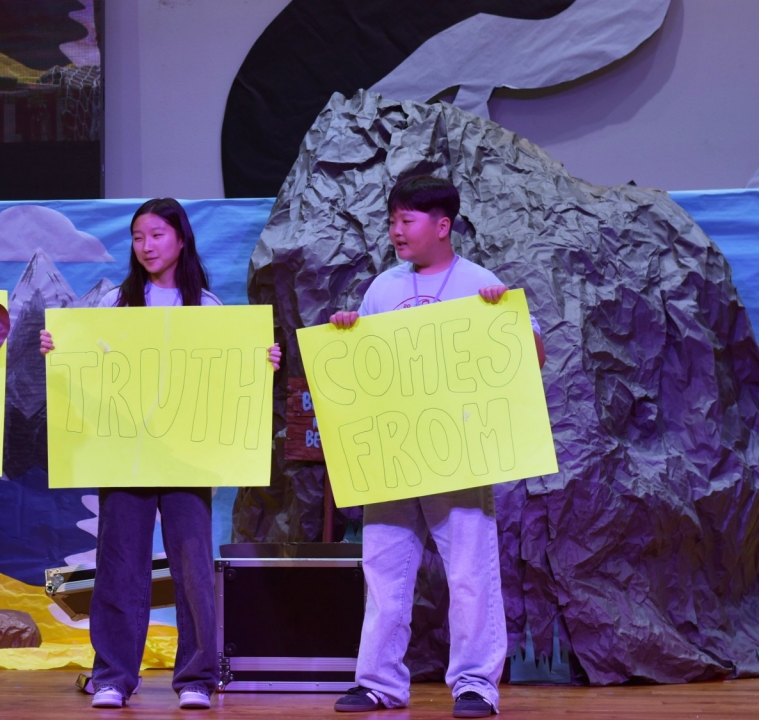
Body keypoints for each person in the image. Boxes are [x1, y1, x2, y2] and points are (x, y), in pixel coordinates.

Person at [39, 198, 282, 711]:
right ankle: (113, 676)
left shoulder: (206, 307)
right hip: (124, 453)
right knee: (119, 565)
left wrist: (260, 360)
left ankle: (196, 677)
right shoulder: (117, 305)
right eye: (137, 237)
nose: (146, 246)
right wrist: (59, 351)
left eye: (156, 235)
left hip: (186, 456)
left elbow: (226, 376)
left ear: (180, 239)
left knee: (192, 567)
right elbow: (89, 370)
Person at [327, 175, 545, 718]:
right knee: (384, 570)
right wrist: (348, 331)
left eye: (407, 220)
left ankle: (475, 684)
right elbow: (364, 368)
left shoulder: (478, 282)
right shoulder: (383, 288)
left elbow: (532, 355)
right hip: (395, 452)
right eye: (392, 221)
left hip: (458, 451)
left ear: (442, 225)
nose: (396, 231)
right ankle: (378, 682)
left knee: (470, 573)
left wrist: (503, 317)